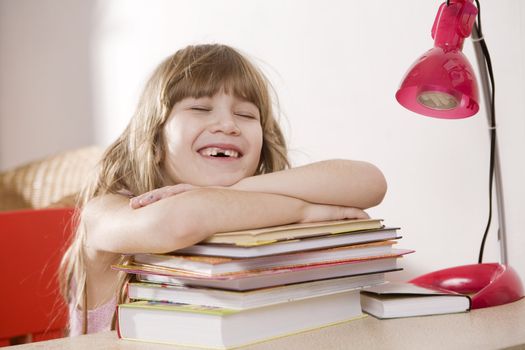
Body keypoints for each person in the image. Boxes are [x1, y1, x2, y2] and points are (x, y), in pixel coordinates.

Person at [59, 44, 387, 335]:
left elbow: (369, 181)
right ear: (155, 137)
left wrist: (245, 187)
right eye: (200, 109)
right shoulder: (104, 214)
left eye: (245, 114)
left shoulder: (259, 198)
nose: (228, 125)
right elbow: (182, 219)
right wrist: (303, 210)